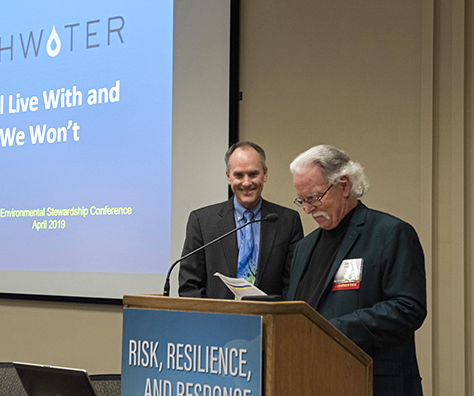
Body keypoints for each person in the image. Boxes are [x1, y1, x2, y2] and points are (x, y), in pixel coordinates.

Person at [287, 145, 426, 396]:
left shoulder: (390, 233)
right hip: (314, 380)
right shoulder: (304, 247)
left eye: (314, 197)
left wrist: (332, 331)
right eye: (302, 200)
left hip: (372, 382)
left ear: (344, 185)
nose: (307, 209)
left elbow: (408, 308)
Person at [178, 141, 303, 299]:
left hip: (270, 320)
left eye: (253, 174)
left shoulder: (287, 222)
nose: (246, 182)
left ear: (265, 174)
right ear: (228, 177)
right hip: (216, 320)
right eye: (238, 175)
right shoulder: (202, 221)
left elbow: (293, 285)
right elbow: (190, 286)